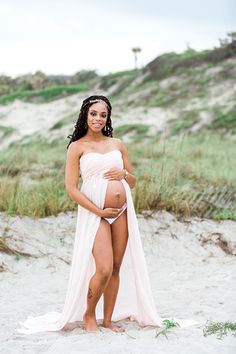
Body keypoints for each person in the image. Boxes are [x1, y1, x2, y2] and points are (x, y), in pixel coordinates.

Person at [18, 95, 196, 335]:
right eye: (94, 113)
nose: (98, 119)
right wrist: (99, 210)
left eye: (103, 114)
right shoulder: (77, 147)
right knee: (103, 268)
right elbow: (71, 189)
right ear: (85, 115)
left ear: (108, 118)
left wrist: (123, 174)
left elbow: (132, 182)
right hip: (95, 213)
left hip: (121, 212)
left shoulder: (117, 144)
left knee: (115, 267)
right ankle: (89, 314)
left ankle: (108, 320)